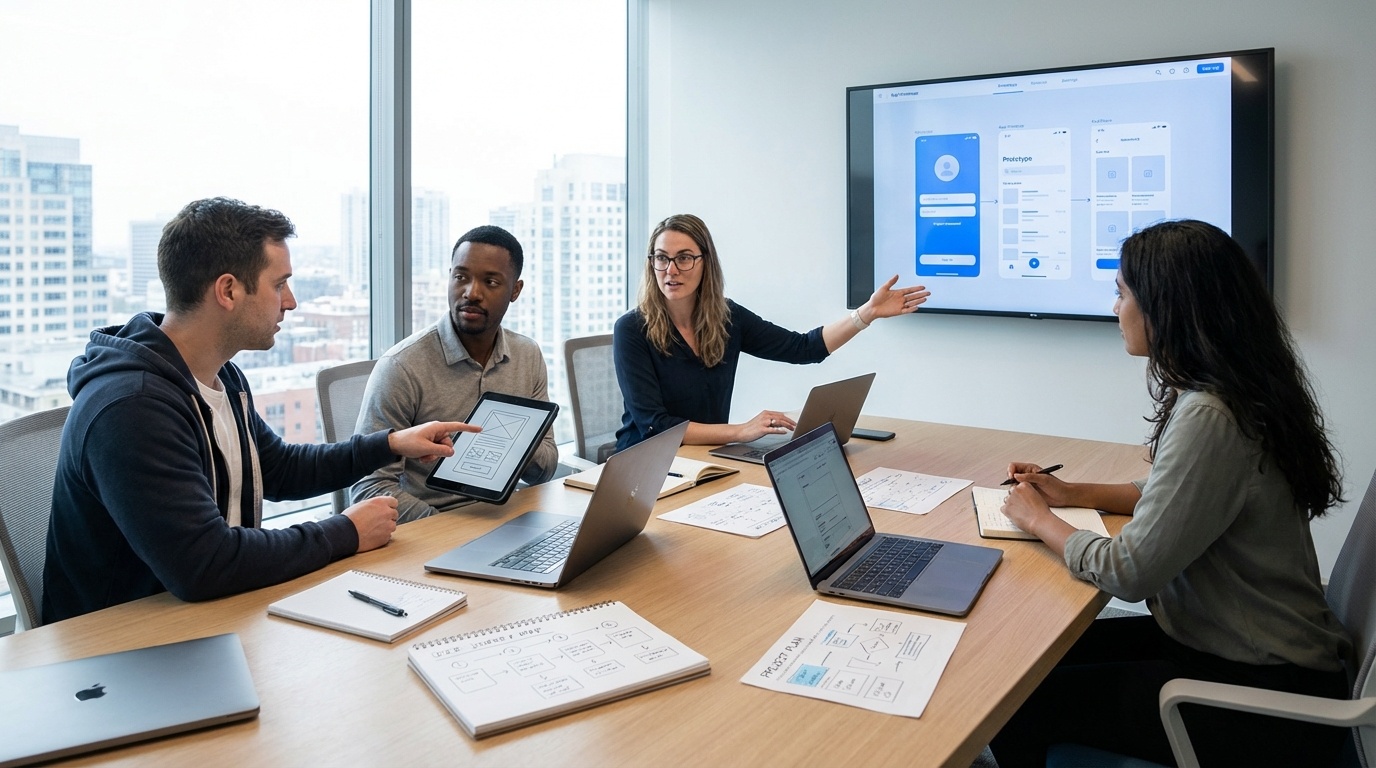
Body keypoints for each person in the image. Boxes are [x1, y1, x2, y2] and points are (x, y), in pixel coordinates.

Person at [990, 220, 1351, 768]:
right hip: (1247, 652)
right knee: (1027, 667)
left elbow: (1128, 572)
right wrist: (1069, 492)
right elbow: (1176, 495)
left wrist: (1039, 519)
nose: (1115, 309)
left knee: (1018, 704)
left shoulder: (1211, 414)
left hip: (1261, 697)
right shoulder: (1230, 390)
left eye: (1121, 294)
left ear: (1167, 306)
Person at [43, 197, 474, 624]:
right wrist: (346, 532)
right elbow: (204, 565)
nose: (291, 301)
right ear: (228, 290)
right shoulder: (132, 407)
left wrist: (391, 444)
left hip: (214, 614)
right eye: (279, 284)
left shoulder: (219, 376)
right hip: (120, 649)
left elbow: (278, 468)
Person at [613, 213, 929, 451]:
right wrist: (741, 431)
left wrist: (867, 313)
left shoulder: (727, 317)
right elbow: (656, 427)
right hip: (644, 468)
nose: (671, 270)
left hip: (704, 459)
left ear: (705, 262)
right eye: (661, 258)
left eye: (683, 258)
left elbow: (803, 348)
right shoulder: (631, 330)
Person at [351, 225, 558, 522]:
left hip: (507, 518)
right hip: (430, 526)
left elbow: (545, 470)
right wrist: (444, 530)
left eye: (490, 281)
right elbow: (369, 487)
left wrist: (519, 436)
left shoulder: (527, 355)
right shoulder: (402, 366)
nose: (472, 293)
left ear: (515, 290)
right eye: (461, 277)